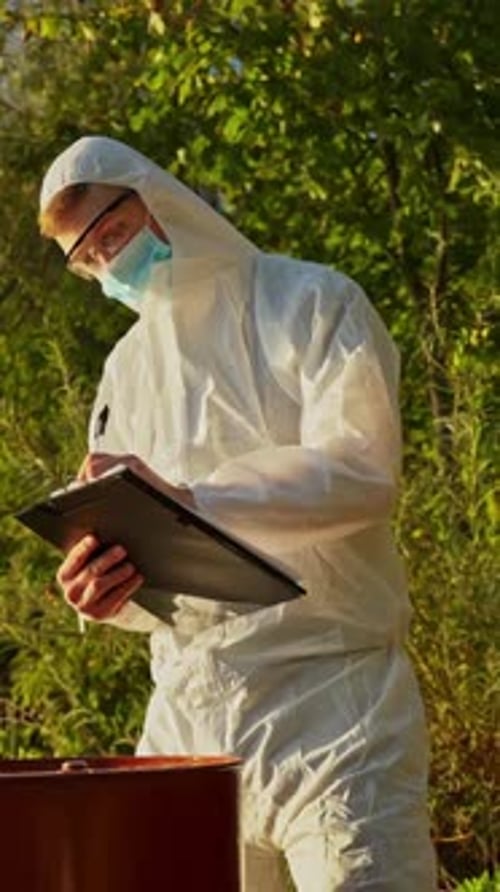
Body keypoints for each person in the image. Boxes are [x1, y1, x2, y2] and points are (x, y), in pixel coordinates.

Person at [39, 135, 437, 891]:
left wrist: (195, 503)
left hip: (333, 709)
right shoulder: (125, 371)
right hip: (192, 721)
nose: (104, 266)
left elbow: (361, 470)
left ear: (158, 199)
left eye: (110, 236)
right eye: (83, 260)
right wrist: (105, 590)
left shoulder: (310, 303)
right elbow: (146, 561)